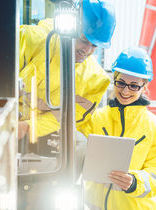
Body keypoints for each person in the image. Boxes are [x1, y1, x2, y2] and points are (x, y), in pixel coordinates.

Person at [80, 47, 156, 210]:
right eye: (121, 83)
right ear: (114, 80)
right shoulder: (96, 119)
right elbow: (74, 142)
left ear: (144, 86)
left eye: (134, 85)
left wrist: (134, 181)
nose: (125, 90)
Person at [17, 0, 116, 140]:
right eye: (83, 40)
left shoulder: (95, 80)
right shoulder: (30, 40)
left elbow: (66, 117)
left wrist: (28, 126)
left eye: (94, 45)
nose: (87, 50)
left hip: (43, 134)